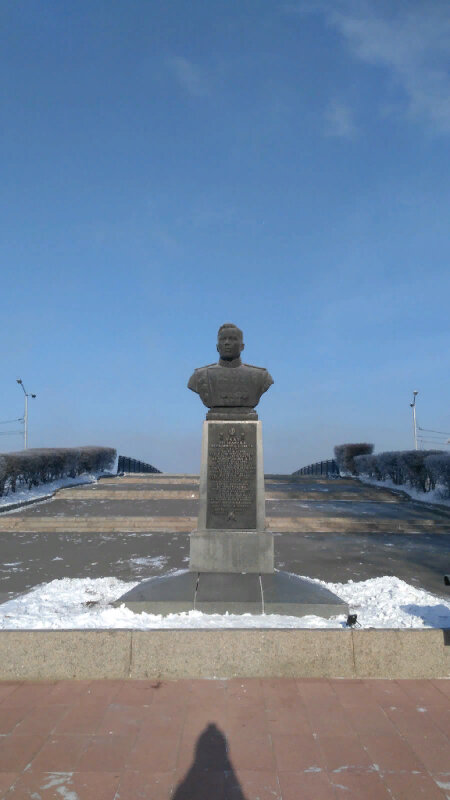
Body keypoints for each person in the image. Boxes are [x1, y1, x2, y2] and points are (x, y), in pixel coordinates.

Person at [187, 323, 273, 419]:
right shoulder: (200, 376)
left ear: (242, 346)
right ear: (217, 347)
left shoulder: (260, 376)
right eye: (223, 339)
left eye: (232, 339)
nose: (227, 343)